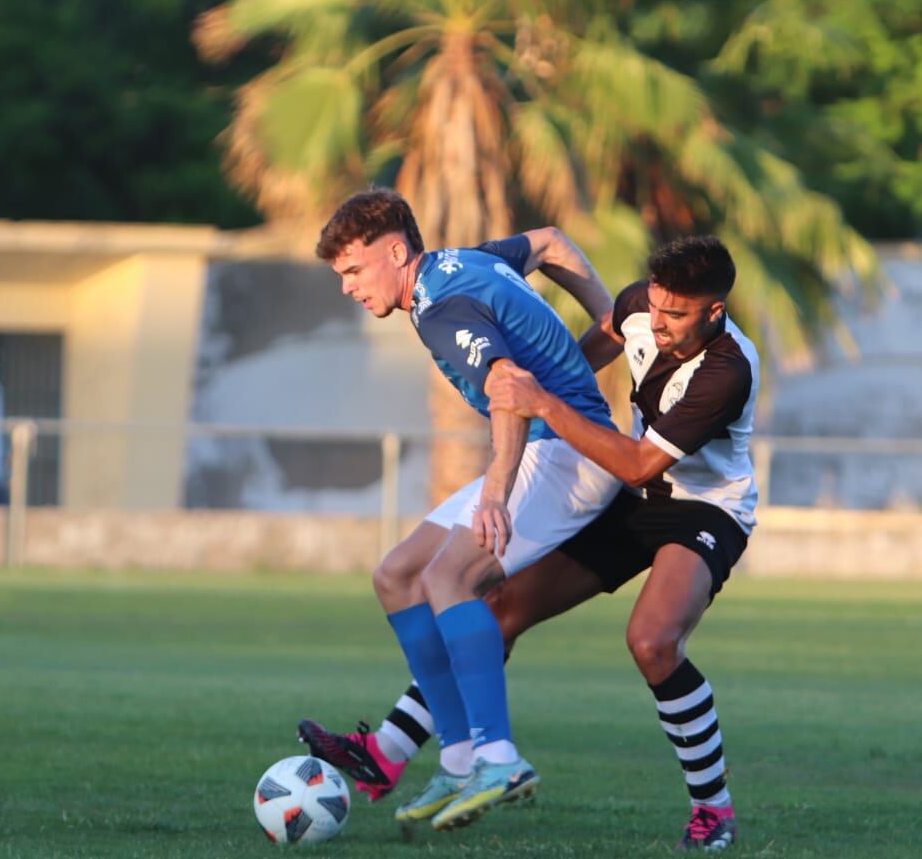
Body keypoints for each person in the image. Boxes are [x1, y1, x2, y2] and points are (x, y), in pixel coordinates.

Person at [302, 236, 759, 851]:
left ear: (714, 312)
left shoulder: (728, 370)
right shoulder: (638, 309)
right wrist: (538, 392)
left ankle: (714, 810)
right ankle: (392, 750)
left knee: (651, 642)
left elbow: (641, 465)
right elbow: (579, 355)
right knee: (493, 609)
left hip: (702, 508)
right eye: (655, 307)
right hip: (632, 497)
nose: (660, 322)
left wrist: (539, 403)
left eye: (677, 315)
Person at [313, 189, 623, 833]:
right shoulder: (463, 261)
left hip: (567, 457)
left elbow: (508, 386)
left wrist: (495, 493)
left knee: (448, 580)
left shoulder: (439, 308)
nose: (347, 287)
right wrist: (613, 320)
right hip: (547, 447)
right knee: (396, 575)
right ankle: (456, 760)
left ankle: (498, 758)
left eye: (353, 270)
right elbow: (550, 240)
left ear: (395, 252)